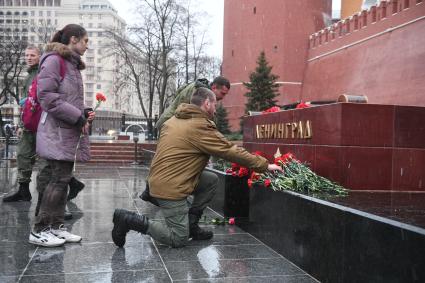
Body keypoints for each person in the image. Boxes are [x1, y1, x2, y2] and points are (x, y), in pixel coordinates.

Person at [112, 87, 282, 248]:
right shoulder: (199, 126)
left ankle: (192, 225)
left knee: (211, 180)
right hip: (170, 187)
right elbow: (229, 150)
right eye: (215, 104)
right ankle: (128, 219)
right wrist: (265, 165)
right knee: (178, 238)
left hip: (162, 179)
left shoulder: (174, 119)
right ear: (207, 103)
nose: (216, 109)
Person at [28, 24, 95, 247]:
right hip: (56, 130)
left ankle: (56, 227)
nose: (87, 45)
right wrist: (77, 117)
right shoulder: (54, 60)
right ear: (73, 39)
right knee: (57, 180)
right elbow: (47, 96)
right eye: (85, 41)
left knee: (63, 180)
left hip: (65, 131)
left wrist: (83, 112)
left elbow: (68, 99)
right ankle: (40, 229)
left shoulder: (71, 64)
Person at [2, 45, 86, 215]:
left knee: (47, 165)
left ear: (40, 56)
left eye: (32, 55)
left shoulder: (47, 68)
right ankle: (25, 190)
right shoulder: (29, 75)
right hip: (30, 122)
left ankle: (50, 205)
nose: (29, 58)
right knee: (24, 156)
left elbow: (50, 96)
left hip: (43, 122)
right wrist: (22, 122)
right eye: (26, 55)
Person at [140, 76, 231, 204]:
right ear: (214, 87)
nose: (223, 97)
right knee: (167, 158)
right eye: (222, 93)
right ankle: (153, 191)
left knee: (165, 157)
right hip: (172, 125)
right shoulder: (200, 93)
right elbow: (193, 115)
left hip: (170, 123)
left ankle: (152, 190)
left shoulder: (198, 88)